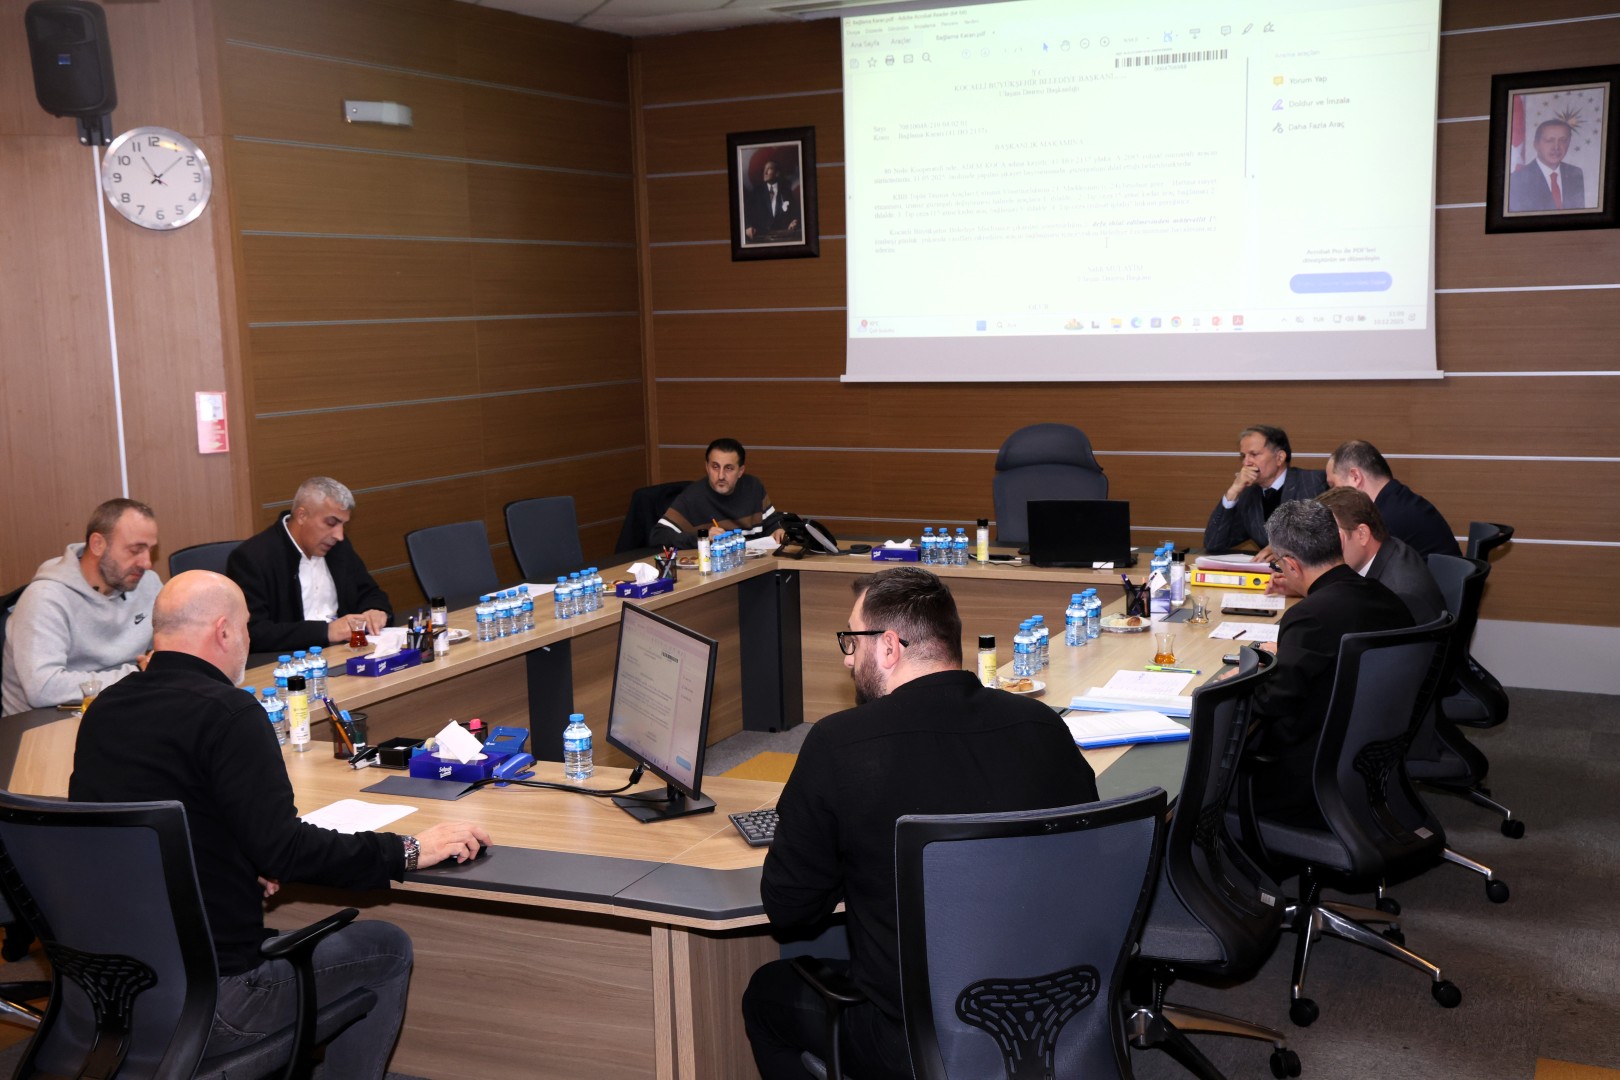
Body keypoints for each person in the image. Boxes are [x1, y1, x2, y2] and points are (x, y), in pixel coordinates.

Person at [70, 571, 489, 1080]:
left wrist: (234, 860)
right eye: (246, 627)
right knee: (386, 945)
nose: (248, 640)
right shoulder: (228, 713)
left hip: (107, 995)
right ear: (224, 631)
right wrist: (406, 851)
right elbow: (286, 852)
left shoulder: (106, 708)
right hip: (214, 1002)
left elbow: (125, 833)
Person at [742, 567, 1098, 1079]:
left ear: (888, 647)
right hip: (1056, 1010)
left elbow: (790, 907)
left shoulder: (840, 744)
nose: (847, 658)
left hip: (916, 1039)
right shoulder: (1043, 726)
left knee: (765, 997)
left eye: (852, 641)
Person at [1241, 500, 1414, 822]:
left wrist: (1239, 680)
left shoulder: (1310, 617)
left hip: (1305, 779)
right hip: (1367, 763)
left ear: (1291, 565)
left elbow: (1270, 702)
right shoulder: (1385, 597)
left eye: (1278, 565)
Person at [2, 498, 160, 716]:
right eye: (135, 550)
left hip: (120, 706)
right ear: (97, 545)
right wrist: (137, 674)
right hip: (46, 721)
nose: (147, 563)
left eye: (150, 550)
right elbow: (43, 687)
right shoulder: (45, 598)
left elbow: (172, 643)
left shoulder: (148, 583)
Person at [226, 476, 393, 654]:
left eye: (343, 525)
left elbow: (370, 592)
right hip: (289, 658)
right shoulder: (252, 557)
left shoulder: (339, 547)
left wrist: (376, 611)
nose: (339, 535)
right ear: (302, 515)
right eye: (331, 523)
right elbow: (253, 631)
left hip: (344, 652)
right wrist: (326, 631)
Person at [1317, 487, 1447, 623]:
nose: (1324, 548)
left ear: (1362, 534)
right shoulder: (1389, 547)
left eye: (1331, 537)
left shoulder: (1398, 595)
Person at [1203, 425, 1327, 553]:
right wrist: (1232, 492)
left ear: (1279, 458)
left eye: (1254, 454)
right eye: (1243, 456)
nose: (1246, 463)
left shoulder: (1314, 482)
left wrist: (1282, 548)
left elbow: (1326, 537)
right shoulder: (1248, 495)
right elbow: (1213, 544)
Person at [1325, 439, 1457, 557]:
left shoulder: (1388, 518)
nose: (1332, 495)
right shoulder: (1398, 501)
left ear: (1355, 477)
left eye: (1333, 485)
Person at [650, 439, 787, 549]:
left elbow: (771, 524)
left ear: (740, 471)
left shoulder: (753, 487)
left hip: (754, 566)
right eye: (715, 467)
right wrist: (703, 537)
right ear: (707, 467)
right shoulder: (692, 497)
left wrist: (778, 531)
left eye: (729, 468)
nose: (721, 476)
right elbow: (658, 536)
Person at [1509, 118, 1587, 212]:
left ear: (1569, 143)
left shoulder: (1575, 173)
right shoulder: (1518, 179)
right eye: (1549, 140)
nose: (1556, 147)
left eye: (1563, 140)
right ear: (1536, 144)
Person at [744, 159, 801, 243]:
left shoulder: (786, 191)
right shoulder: (756, 192)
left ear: (777, 173)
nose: (765, 172)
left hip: (782, 237)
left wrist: (794, 221)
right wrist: (747, 227)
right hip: (760, 237)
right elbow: (746, 212)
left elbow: (794, 212)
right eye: (764, 169)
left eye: (769, 169)